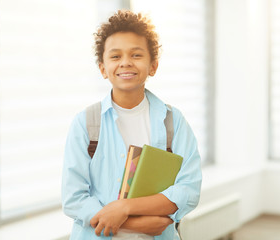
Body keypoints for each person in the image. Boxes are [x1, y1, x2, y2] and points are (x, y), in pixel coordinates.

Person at [62, 10, 202, 240]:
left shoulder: (173, 122)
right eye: (115, 56)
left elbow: (187, 190)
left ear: (153, 66)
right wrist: (138, 224)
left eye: (136, 55)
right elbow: (74, 198)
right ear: (102, 68)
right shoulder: (86, 123)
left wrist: (125, 208)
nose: (125, 62)